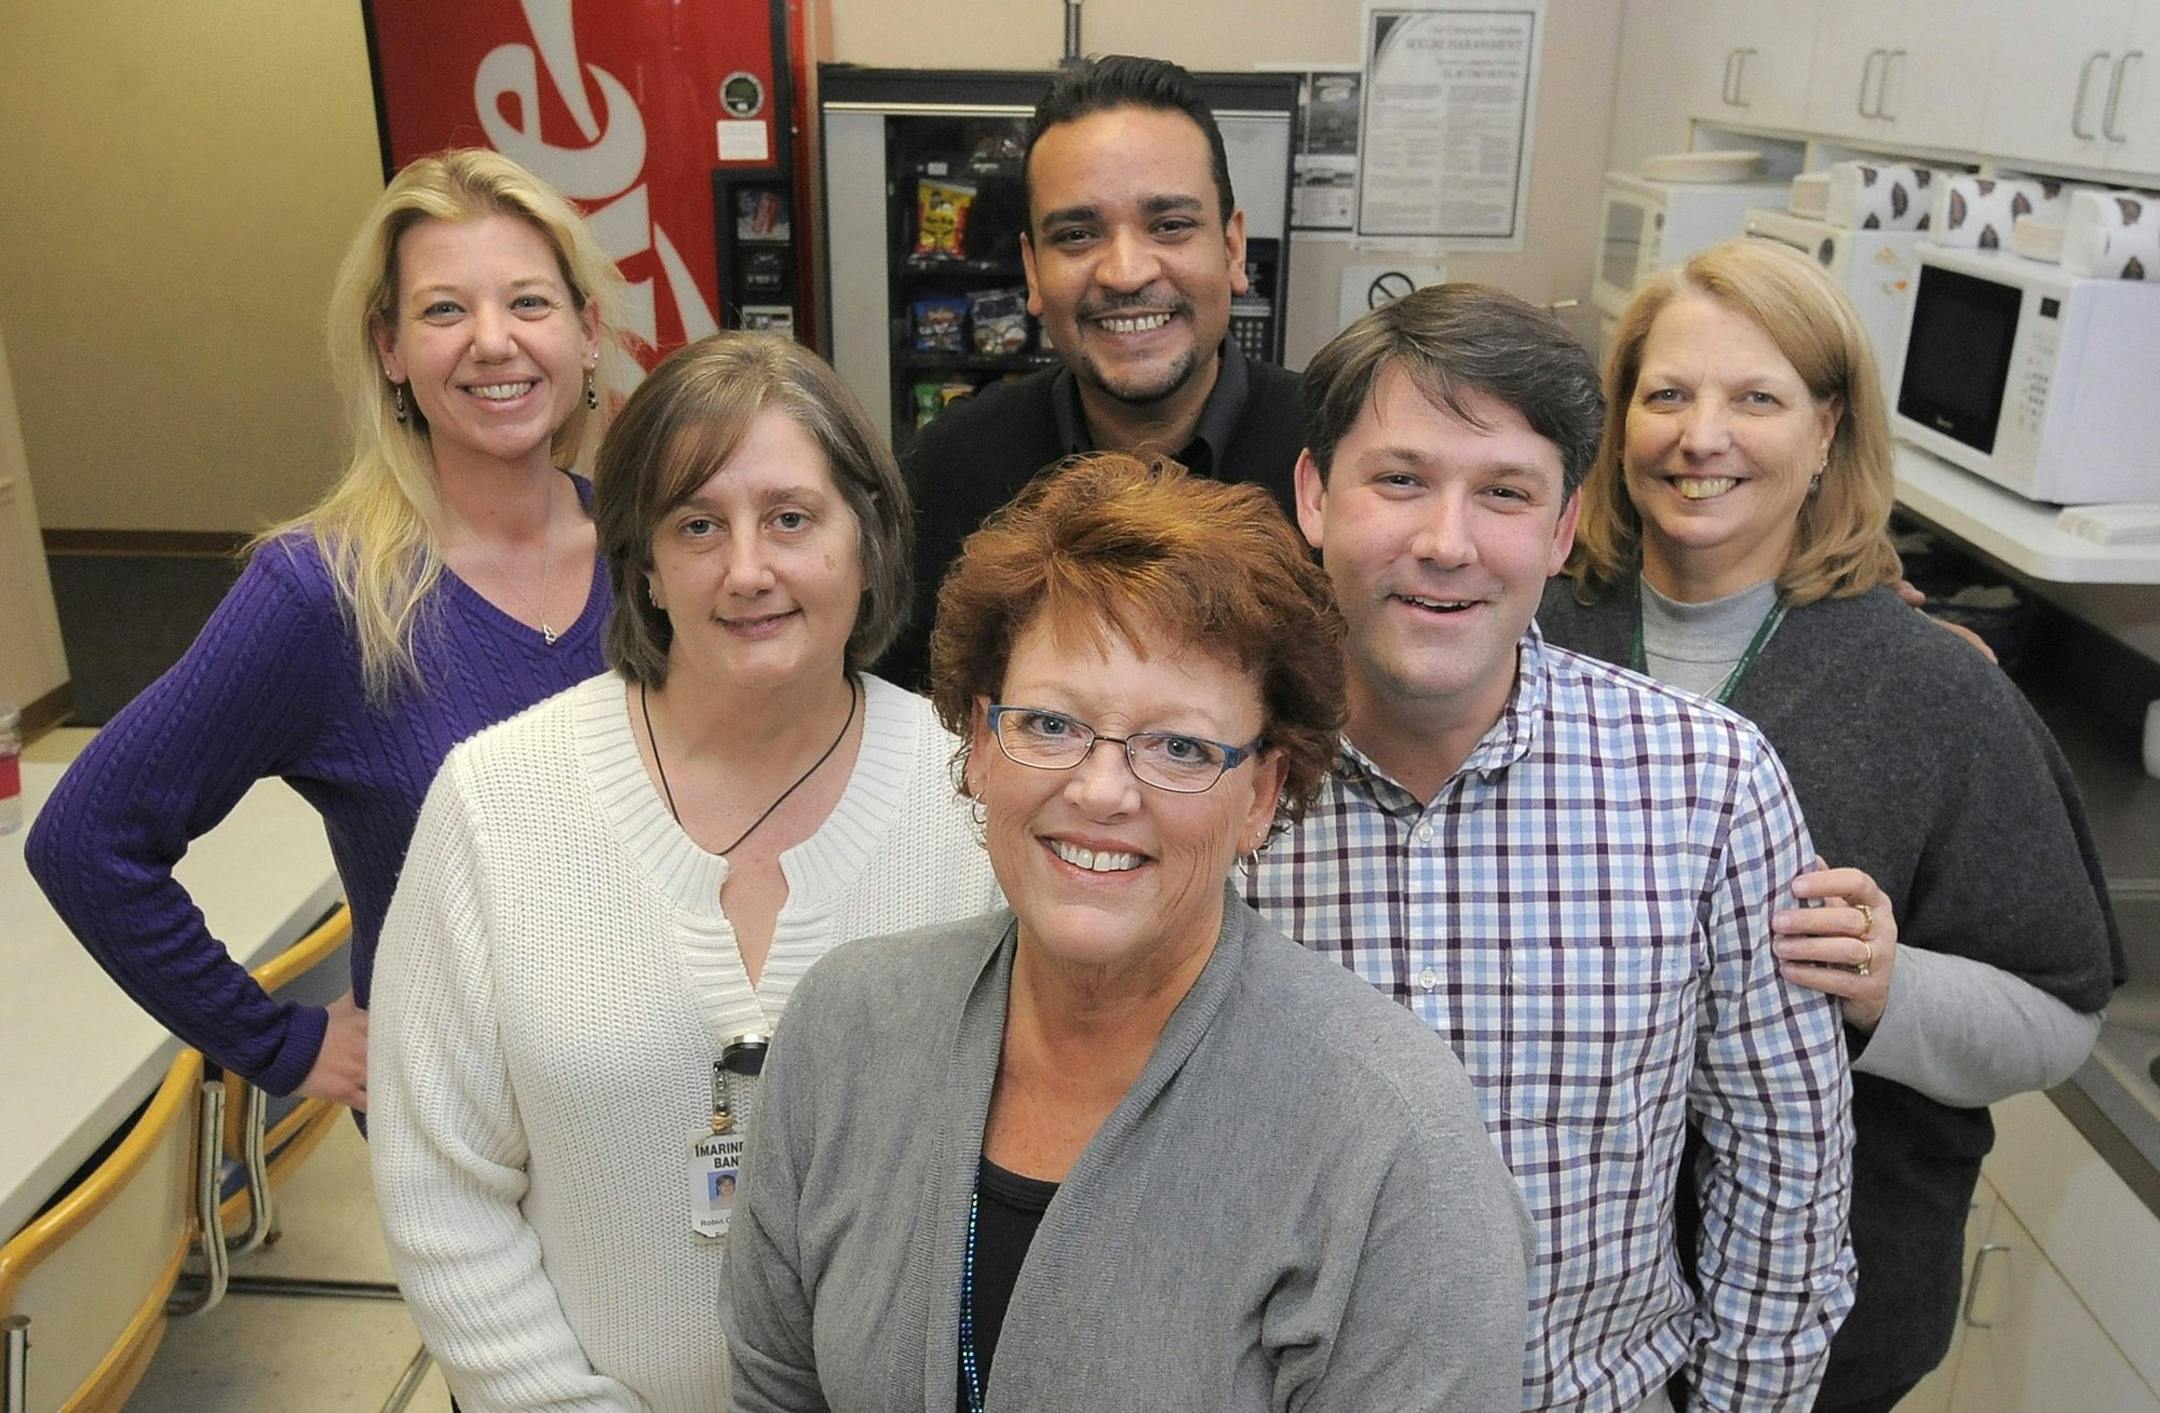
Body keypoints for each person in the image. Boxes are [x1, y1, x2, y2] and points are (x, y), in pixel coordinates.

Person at [726, 455, 1534, 1412]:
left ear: (1262, 793)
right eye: (1051, 724)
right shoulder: (846, 1030)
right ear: (980, 745)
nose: (1101, 790)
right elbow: (776, 1390)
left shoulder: (1393, 1139)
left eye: (1179, 746)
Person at [1247, 283, 1858, 1411]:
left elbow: (1786, 1173)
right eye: (1400, 480)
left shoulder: (1709, 784)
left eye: (1505, 493)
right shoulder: (1206, 773)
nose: (1447, 544)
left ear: (1564, 526)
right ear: (1315, 496)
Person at [1539, 238, 2121, 1413]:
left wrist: (1888, 989)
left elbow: (2059, 1018)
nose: (1702, 437)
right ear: (1619, 422)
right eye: (1667, 395)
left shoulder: (1932, 691)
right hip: (1551, 1324)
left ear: (1827, 433)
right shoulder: (1530, 637)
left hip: (1822, 1338)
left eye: (1756, 399)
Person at [367, 333, 1002, 1411]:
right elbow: (440, 1184)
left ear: (868, 541)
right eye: (697, 525)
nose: (747, 569)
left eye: (790, 518)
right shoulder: (496, 801)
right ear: (646, 566)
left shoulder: (977, 800)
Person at [25, 148, 628, 1109]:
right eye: (444, 309)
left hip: (660, 1099)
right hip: (468, 1133)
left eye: (528, 302)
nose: (492, 341)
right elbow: (86, 840)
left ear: (586, 332)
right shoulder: (326, 593)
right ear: (390, 349)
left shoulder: (656, 554)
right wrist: (280, 1041)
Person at [884, 54, 1305, 689]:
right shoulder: (948, 474)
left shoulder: (1334, 457)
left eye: (1170, 226)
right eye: (1078, 236)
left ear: (1232, 248)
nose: (1126, 273)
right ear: (1033, 270)